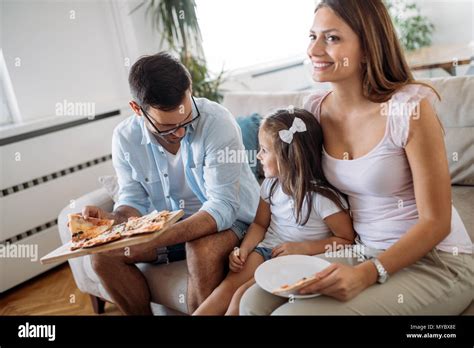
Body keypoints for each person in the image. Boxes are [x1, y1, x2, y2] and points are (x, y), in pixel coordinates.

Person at [240, 0, 473, 315]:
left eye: (332, 38)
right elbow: (296, 181)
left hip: (435, 259)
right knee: (253, 302)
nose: (315, 50)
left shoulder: (409, 109)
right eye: (313, 36)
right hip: (362, 250)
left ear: (367, 47)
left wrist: (368, 272)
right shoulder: (313, 109)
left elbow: (436, 222)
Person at [82, 52, 260, 315]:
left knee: (201, 248)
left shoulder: (217, 123)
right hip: (167, 229)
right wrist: (111, 221)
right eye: (167, 126)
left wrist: (157, 238)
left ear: (190, 90)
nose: (180, 132)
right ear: (137, 109)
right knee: (102, 256)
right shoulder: (124, 137)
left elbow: (223, 206)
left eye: (186, 120)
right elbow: (132, 200)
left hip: (232, 223)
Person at [193, 108, 355, 315]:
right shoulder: (270, 186)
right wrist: (243, 249)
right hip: (265, 249)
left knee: (240, 298)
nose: (258, 155)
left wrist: (304, 247)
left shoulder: (322, 198)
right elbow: (260, 224)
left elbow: (346, 240)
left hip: (297, 258)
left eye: (264, 150)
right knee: (225, 290)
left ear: (289, 156)